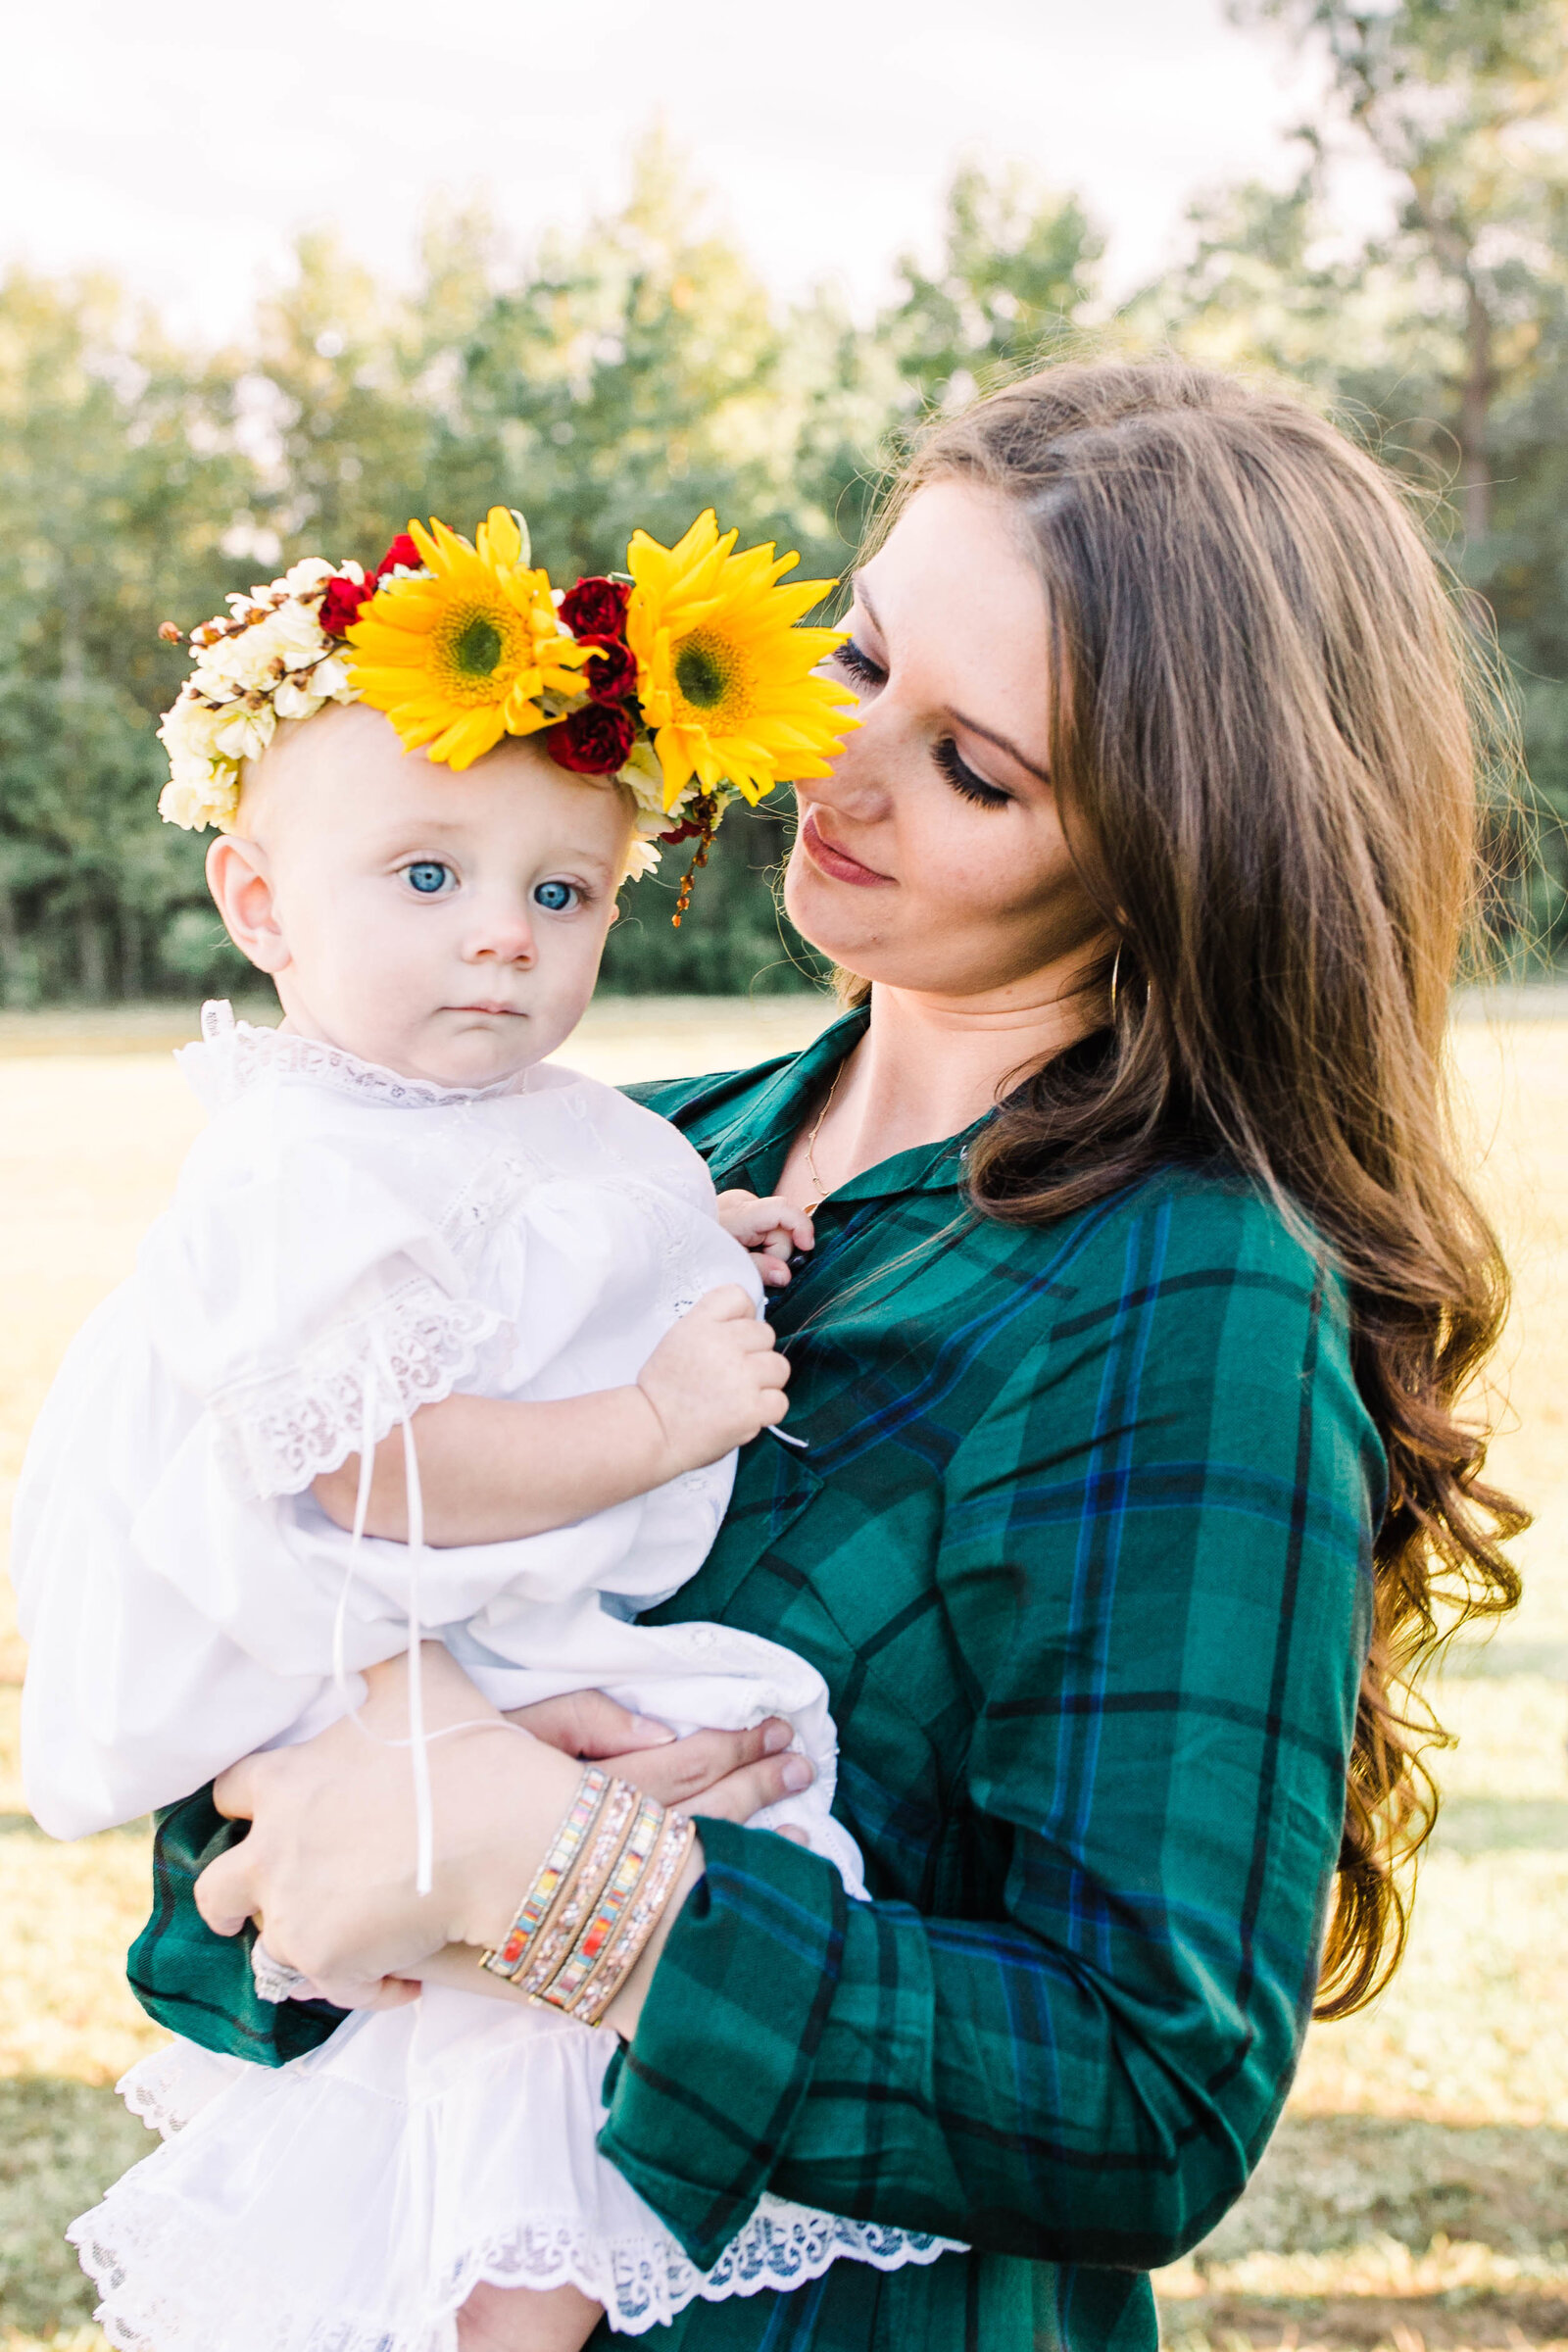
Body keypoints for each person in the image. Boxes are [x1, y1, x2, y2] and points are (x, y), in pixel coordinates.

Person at [93, 361, 1527, 2352]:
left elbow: (1146, 2102)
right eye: (855, 660)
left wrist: (557, 1879)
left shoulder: (1185, 1289)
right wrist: (346, 1796)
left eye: (974, 768)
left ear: (1178, 846)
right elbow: (225, 1839)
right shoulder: (629, 1149)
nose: (834, 774)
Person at [16, 511, 959, 2348]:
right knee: (510, 1962)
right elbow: (378, 1455)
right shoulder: (300, 1156)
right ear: (260, 903)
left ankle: (524, 2275)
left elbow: (576, 1238)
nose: (502, 948)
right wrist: (650, 1416)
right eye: (426, 878)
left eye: (562, 896)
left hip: (479, 1630)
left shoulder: (521, 1109)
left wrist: (713, 1241)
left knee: (713, 1813)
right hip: (334, 1623)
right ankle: (497, 2310)